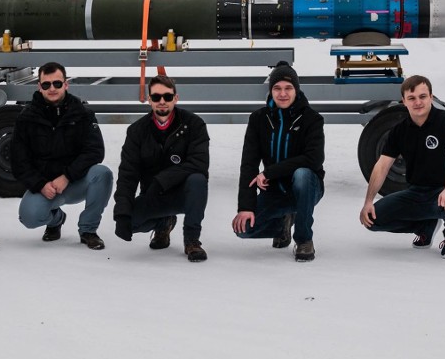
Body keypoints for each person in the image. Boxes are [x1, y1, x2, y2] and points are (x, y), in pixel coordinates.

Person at [359, 75, 445, 258]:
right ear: (404, 101)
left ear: (431, 97)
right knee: (373, 220)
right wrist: (368, 201)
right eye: (412, 98)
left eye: (422, 96)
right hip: (416, 192)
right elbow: (382, 166)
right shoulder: (399, 131)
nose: (418, 102)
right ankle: (425, 226)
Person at [10, 62, 112, 250]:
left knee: (102, 173)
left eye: (57, 83)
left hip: (75, 181)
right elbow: (19, 161)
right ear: (39, 87)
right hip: (46, 187)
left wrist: (67, 176)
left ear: (66, 84)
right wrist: (40, 184)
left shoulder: (83, 114)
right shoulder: (26, 118)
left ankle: (88, 230)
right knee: (29, 217)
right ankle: (56, 219)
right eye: (46, 84)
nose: (52, 89)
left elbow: (95, 151)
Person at [232, 61, 325, 262]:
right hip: (275, 191)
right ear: (271, 91)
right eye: (277, 88)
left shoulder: (312, 119)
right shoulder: (258, 119)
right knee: (243, 229)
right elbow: (248, 164)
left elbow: (313, 159)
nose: (282, 94)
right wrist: (245, 207)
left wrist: (269, 173)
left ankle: (303, 240)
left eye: (288, 88)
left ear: (296, 90)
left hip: (308, 187)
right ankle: (283, 223)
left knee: (302, 173)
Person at [113, 75, 210, 262]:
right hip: (153, 195)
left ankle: (192, 240)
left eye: (167, 96)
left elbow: (199, 163)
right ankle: (163, 223)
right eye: (156, 97)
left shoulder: (194, 125)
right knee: (129, 222)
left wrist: (162, 180)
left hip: (184, 194)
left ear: (176, 98)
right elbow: (128, 173)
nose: (162, 102)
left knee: (198, 180)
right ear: (149, 100)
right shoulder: (136, 131)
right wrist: (122, 213)